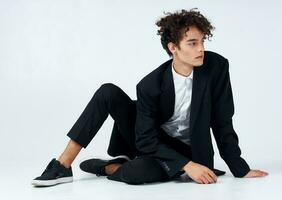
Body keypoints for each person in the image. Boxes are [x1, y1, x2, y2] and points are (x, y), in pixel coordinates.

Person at [32, 8, 268, 187]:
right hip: (151, 140)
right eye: (192, 43)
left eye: (202, 42)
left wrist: (240, 168)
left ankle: (109, 167)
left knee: (137, 173)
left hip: (189, 149)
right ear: (173, 47)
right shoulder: (149, 85)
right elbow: (145, 139)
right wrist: (186, 167)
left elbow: (222, 119)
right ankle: (62, 166)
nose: (201, 49)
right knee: (107, 91)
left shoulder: (216, 67)